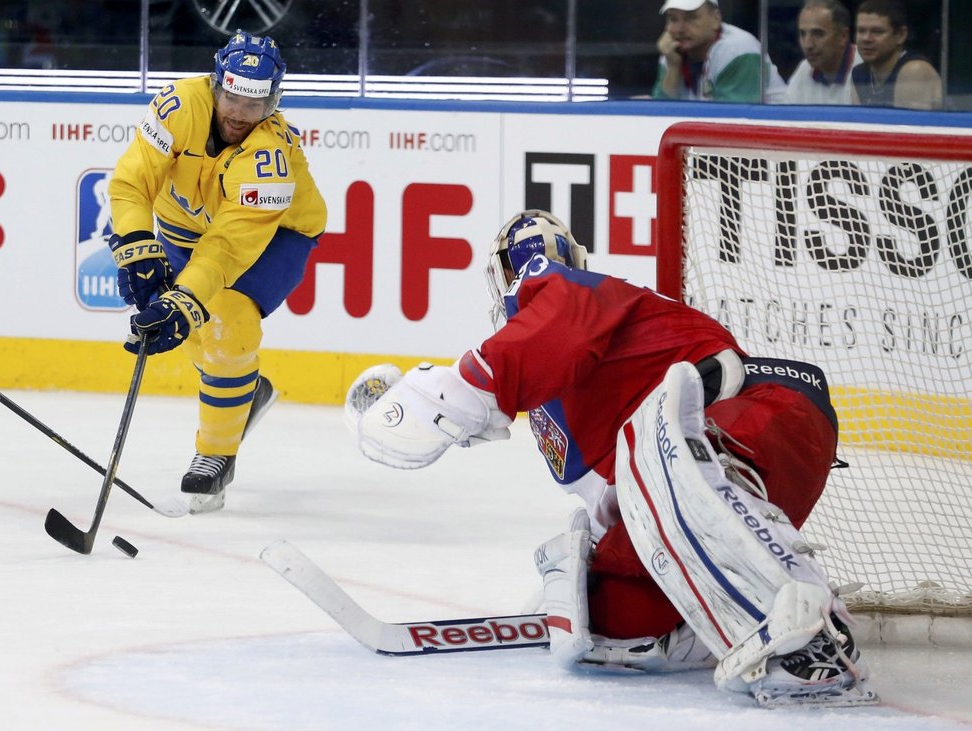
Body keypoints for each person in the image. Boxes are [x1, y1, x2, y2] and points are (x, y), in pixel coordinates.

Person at [346, 211, 879, 708]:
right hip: (697, 469)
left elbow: (555, 330)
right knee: (610, 616)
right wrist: (578, 585)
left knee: (666, 463)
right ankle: (739, 621)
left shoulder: (566, 294)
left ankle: (814, 640)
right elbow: (610, 495)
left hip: (762, 412)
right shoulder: (554, 397)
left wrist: (463, 385)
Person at [108, 31, 328, 513]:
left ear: (273, 101)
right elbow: (130, 183)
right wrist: (134, 242)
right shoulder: (177, 106)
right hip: (183, 230)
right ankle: (242, 393)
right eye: (231, 96)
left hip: (272, 239)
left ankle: (215, 455)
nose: (238, 113)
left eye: (253, 104)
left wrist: (186, 301)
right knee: (184, 325)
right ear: (214, 85)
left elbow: (227, 249)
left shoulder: (270, 158)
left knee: (225, 320)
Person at [652, 0, 786, 103]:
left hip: (783, 133)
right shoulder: (671, 53)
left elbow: (731, 122)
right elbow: (659, 115)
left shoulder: (739, 50)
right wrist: (673, 67)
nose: (679, 29)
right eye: (673, 19)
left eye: (690, 18)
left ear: (715, 19)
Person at [850, 0, 942, 109]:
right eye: (861, 31)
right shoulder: (858, 74)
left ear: (901, 35)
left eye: (877, 31)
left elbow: (910, 125)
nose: (866, 39)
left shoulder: (914, 71)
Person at [784, 0, 862, 105]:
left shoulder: (866, 69)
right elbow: (788, 117)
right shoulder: (805, 68)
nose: (808, 45)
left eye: (818, 34)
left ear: (843, 36)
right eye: (803, 34)